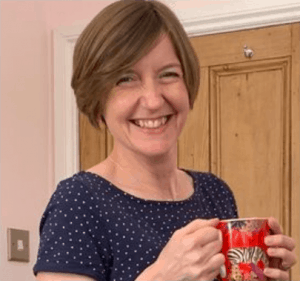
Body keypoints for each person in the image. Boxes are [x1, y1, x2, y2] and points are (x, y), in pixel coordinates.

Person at [33, 1, 296, 280]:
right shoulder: (77, 202)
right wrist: (163, 275)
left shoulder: (215, 193)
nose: (153, 100)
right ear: (98, 101)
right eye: (126, 79)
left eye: (168, 74)